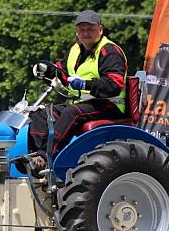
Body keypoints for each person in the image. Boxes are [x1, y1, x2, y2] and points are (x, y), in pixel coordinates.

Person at [28, 9, 128, 168]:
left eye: (90, 29)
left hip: (109, 104)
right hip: (83, 103)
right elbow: (63, 71)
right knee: (40, 113)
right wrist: (46, 68)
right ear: (76, 32)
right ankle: (34, 159)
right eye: (82, 29)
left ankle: (46, 158)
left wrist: (85, 84)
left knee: (71, 112)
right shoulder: (75, 50)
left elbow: (114, 85)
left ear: (100, 30)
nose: (86, 33)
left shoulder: (109, 51)